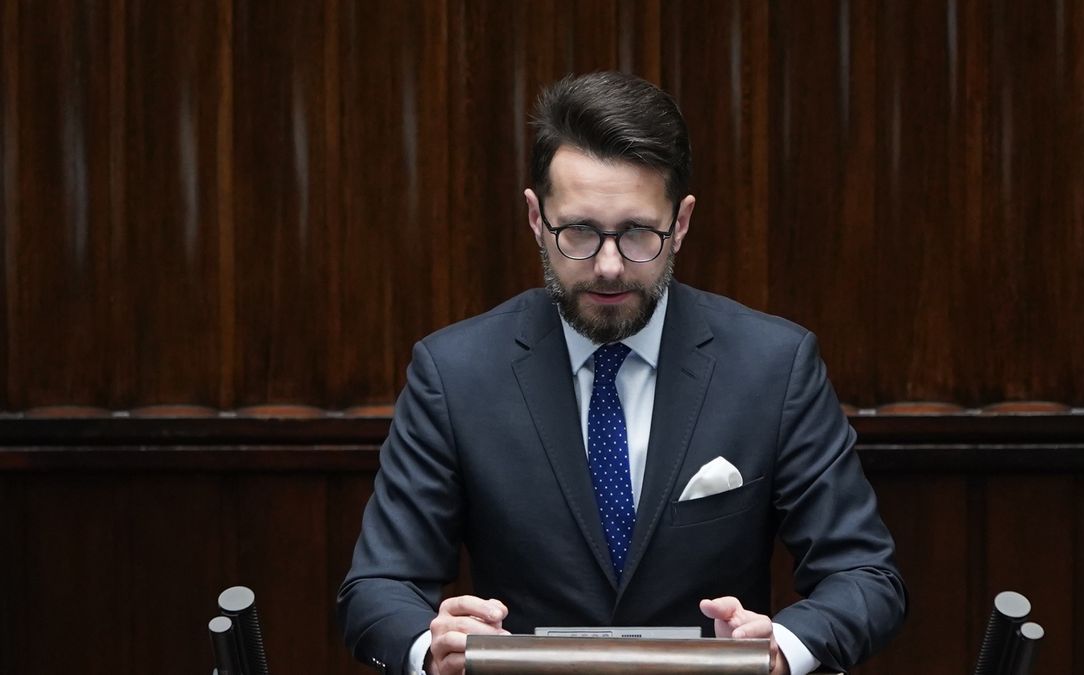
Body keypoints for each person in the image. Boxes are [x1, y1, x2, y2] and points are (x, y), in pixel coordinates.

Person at [337, 71, 906, 675]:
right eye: (578, 232)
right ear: (536, 217)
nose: (608, 267)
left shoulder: (773, 366)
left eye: (638, 233)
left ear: (681, 223)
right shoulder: (455, 374)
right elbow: (377, 587)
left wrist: (779, 649)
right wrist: (435, 648)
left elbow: (864, 575)